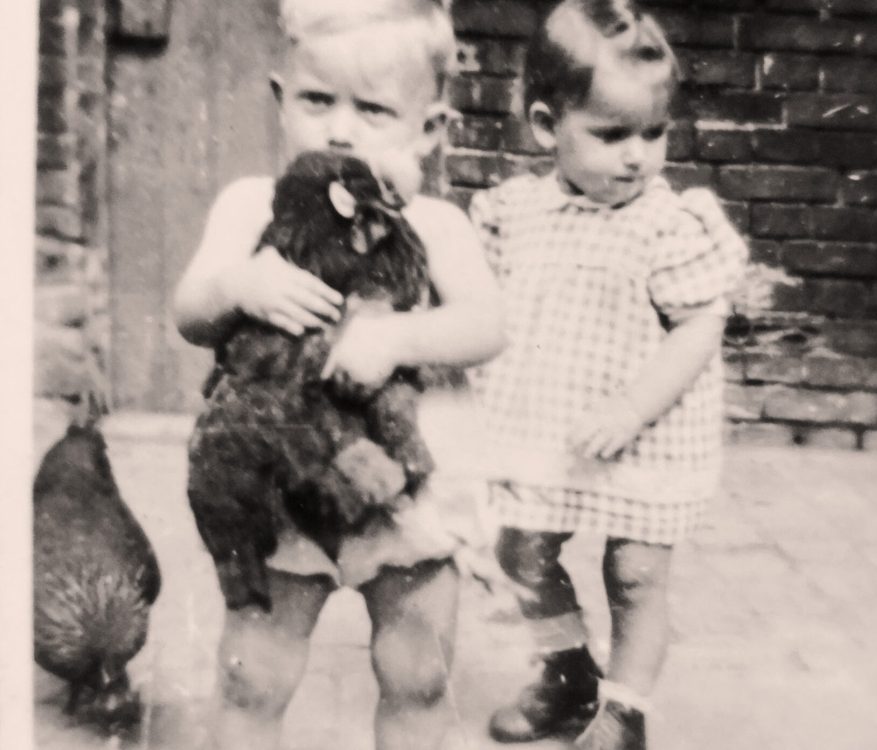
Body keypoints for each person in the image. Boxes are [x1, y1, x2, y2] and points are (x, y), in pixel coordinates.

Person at [172, 1, 504, 749]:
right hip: (283, 486)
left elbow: (488, 325)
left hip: (406, 492)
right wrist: (235, 286)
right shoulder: (250, 207)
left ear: (431, 129)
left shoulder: (437, 226)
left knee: (418, 673)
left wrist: (398, 336)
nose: (341, 130)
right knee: (252, 674)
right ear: (280, 99)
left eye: (375, 108)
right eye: (318, 100)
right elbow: (189, 313)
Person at [468, 1, 748, 748]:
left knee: (634, 574)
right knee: (521, 550)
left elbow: (700, 327)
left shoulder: (668, 224)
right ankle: (567, 677)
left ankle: (624, 714)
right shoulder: (514, 214)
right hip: (551, 427)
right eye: (612, 134)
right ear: (544, 126)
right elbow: (485, 307)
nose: (637, 156)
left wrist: (631, 406)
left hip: (644, 435)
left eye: (654, 134)